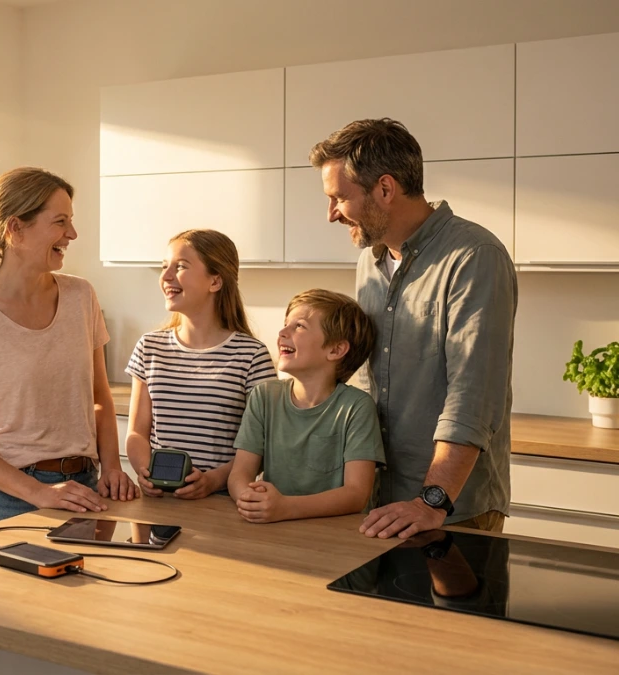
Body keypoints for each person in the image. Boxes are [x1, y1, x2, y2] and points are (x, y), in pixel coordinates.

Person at [309, 118, 517, 539]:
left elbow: (473, 395)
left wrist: (432, 500)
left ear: (385, 189)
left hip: (450, 511)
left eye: (339, 198)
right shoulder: (371, 259)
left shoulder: (474, 257)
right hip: (377, 502)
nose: (331, 214)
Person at [0, 167, 137, 531]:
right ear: (16, 228)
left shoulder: (81, 296)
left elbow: (99, 397)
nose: (72, 234)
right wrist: (39, 493)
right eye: (60, 222)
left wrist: (111, 467)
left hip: (82, 491)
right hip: (0, 501)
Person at [125, 229, 276, 500]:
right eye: (164, 266)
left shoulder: (252, 356)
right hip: (158, 500)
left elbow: (261, 448)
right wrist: (145, 472)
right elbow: (137, 432)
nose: (166, 276)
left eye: (180, 266)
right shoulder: (149, 348)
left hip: (219, 502)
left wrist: (213, 481)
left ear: (215, 281)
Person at [227, 289, 385, 522]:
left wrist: (285, 508)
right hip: (275, 531)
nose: (282, 332)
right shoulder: (263, 396)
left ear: (336, 350)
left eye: (298, 326)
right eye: (285, 324)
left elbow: (356, 494)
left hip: (335, 542)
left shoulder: (357, 407)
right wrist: (248, 499)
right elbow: (240, 473)